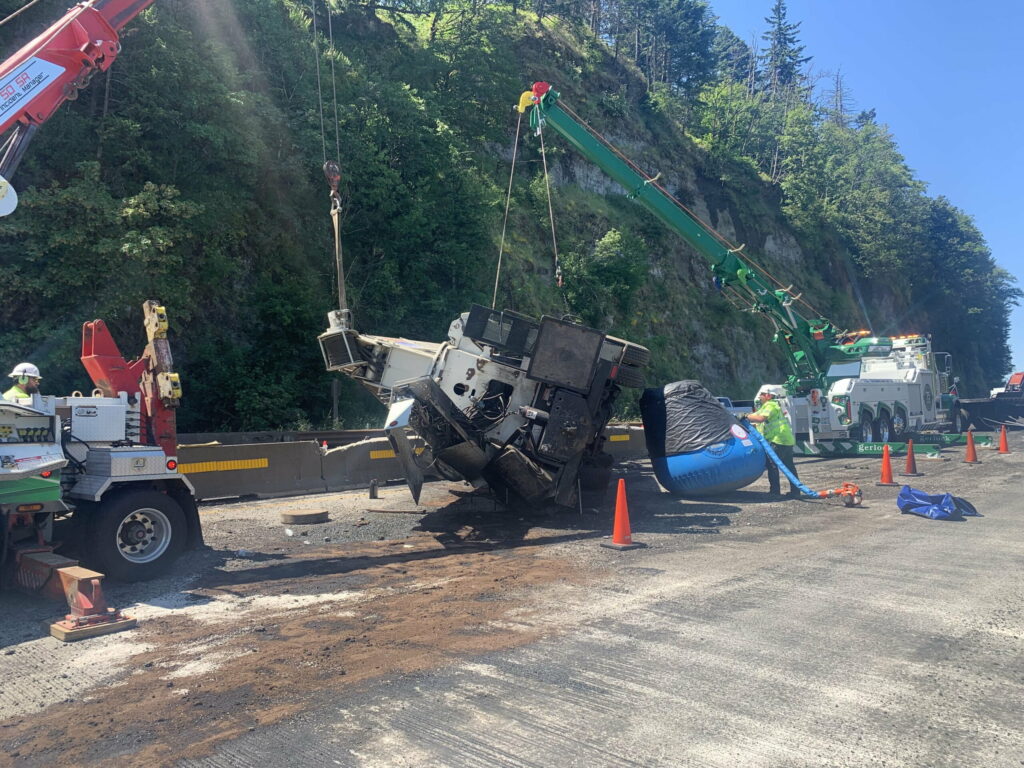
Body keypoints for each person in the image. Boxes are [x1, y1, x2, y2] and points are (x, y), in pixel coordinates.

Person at [745, 385, 800, 497]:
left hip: (777, 440)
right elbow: (756, 415)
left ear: (768, 395)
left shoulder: (770, 405)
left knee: (772, 465)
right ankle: (795, 491)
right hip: (786, 440)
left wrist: (745, 416)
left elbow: (760, 418)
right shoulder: (770, 406)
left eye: (762, 394)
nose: (760, 396)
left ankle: (775, 491)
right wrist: (747, 416)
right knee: (789, 466)